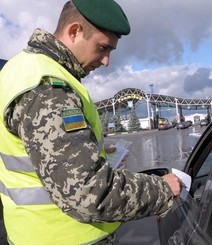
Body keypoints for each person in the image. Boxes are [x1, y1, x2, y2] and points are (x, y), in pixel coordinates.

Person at [0, 1, 181, 244]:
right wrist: (163, 189)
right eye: (102, 48)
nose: (106, 61)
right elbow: (90, 194)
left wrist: (86, 148)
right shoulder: (48, 88)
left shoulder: (19, 69)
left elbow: (28, 149)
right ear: (74, 31)